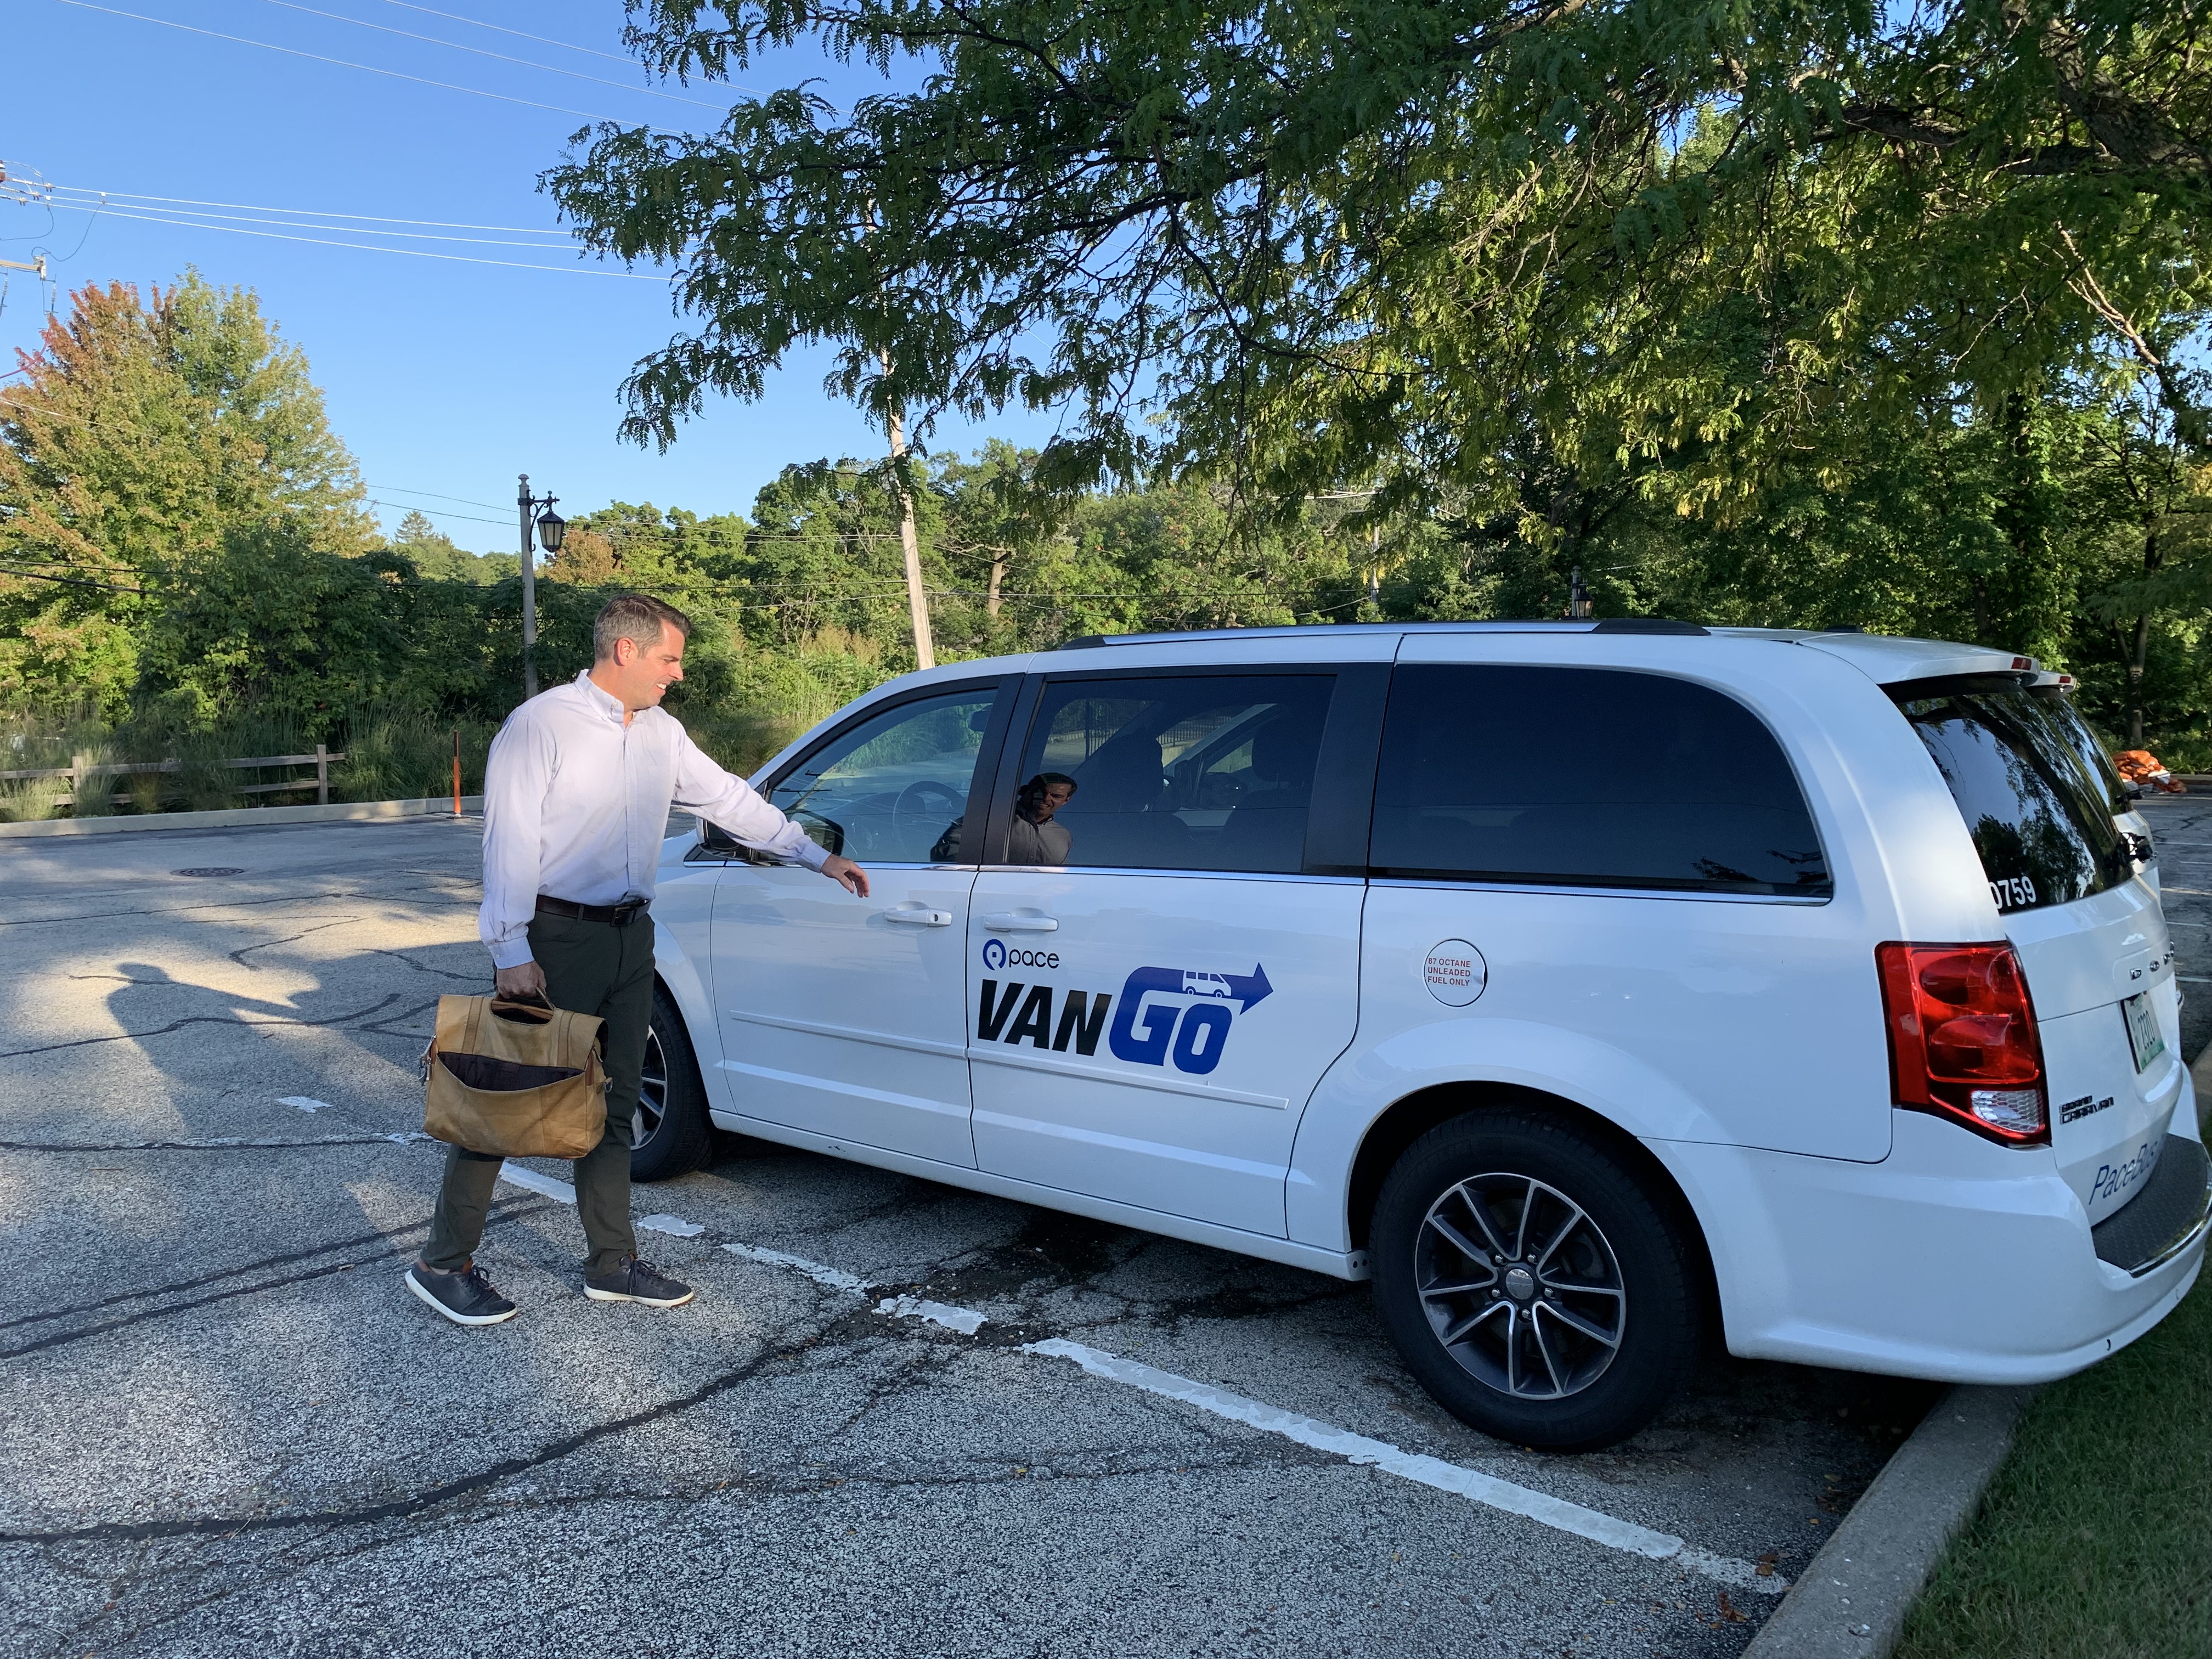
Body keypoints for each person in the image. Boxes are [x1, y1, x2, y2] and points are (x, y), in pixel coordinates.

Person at [405, 594, 870, 1327]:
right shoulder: (540, 727)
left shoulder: (662, 733)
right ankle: (443, 1261)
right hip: (557, 937)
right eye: (669, 658)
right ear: (626, 651)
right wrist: (510, 949)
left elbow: (726, 799)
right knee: (505, 1099)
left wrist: (814, 856)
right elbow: (510, 842)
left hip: (631, 934)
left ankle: (611, 1262)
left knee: (615, 1102)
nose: (676, 675)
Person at [1007, 772, 1077, 864]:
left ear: (1066, 801)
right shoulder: (998, 819)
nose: (1046, 798)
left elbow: (1058, 875)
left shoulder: (1063, 837)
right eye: (1040, 792)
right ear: (1025, 791)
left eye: (1056, 796)